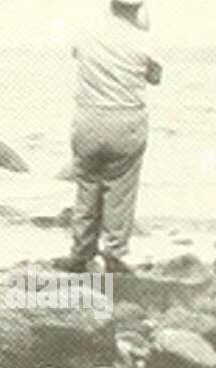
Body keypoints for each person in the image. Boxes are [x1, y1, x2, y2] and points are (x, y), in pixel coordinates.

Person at [55, 0, 162, 274]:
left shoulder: (88, 32)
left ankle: (80, 254)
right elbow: (155, 77)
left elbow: (76, 52)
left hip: (89, 119)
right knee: (121, 192)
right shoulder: (144, 40)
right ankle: (114, 254)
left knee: (87, 187)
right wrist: (143, 25)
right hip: (127, 120)